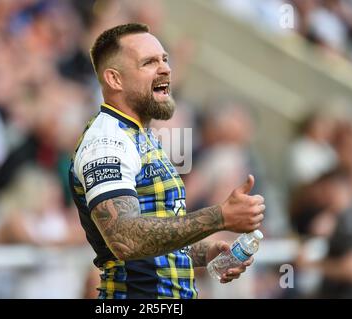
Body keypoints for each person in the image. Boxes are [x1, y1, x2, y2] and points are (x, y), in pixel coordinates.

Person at [69, 23, 265, 299]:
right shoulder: (106, 142)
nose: (166, 69)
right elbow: (125, 239)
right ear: (115, 80)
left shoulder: (142, 137)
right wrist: (218, 217)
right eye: (149, 62)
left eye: (165, 59)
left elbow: (153, 237)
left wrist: (203, 252)